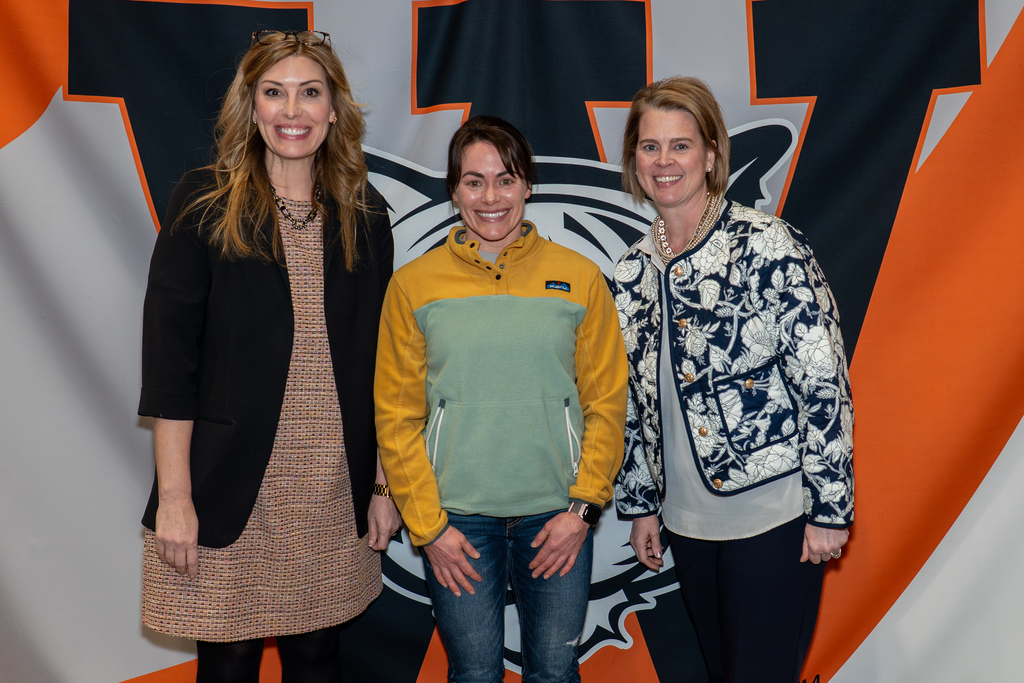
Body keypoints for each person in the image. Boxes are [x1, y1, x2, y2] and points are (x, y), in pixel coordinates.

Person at [137, 29, 401, 681]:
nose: (292, 111)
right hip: (226, 489)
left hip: (330, 488)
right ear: (250, 106)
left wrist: (383, 483)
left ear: (334, 109)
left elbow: (388, 366)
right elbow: (171, 365)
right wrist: (176, 497)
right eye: (274, 93)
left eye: (310, 93)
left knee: (317, 655)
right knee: (228, 660)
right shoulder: (204, 203)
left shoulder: (365, 215)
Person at [612, 76, 854, 683]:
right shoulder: (631, 272)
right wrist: (642, 506)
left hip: (773, 516)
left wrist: (829, 506)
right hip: (686, 523)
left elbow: (823, 381)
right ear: (633, 160)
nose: (664, 162)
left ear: (712, 153)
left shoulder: (767, 244)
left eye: (681, 145)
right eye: (649, 147)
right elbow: (636, 404)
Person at [374, 115, 628, 683]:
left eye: (506, 179)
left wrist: (583, 511)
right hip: (458, 524)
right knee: (473, 674)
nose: (491, 197)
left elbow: (607, 403)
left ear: (528, 185)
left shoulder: (580, 278)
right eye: (474, 181)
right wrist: (429, 528)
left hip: (556, 518)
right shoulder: (413, 285)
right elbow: (395, 417)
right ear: (454, 189)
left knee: (556, 671)